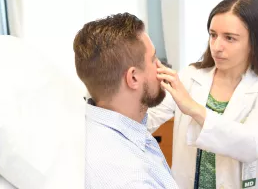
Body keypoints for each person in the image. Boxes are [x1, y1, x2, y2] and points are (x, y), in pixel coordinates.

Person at [147, 0, 258, 189]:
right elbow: (147, 119)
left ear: (254, 42)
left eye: (229, 38)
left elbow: (251, 145)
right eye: (213, 35)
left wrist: (194, 108)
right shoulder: (190, 76)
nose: (217, 47)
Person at [73, 13, 179, 189]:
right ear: (133, 78)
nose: (161, 67)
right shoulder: (134, 179)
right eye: (153, 59)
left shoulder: (87, 130)